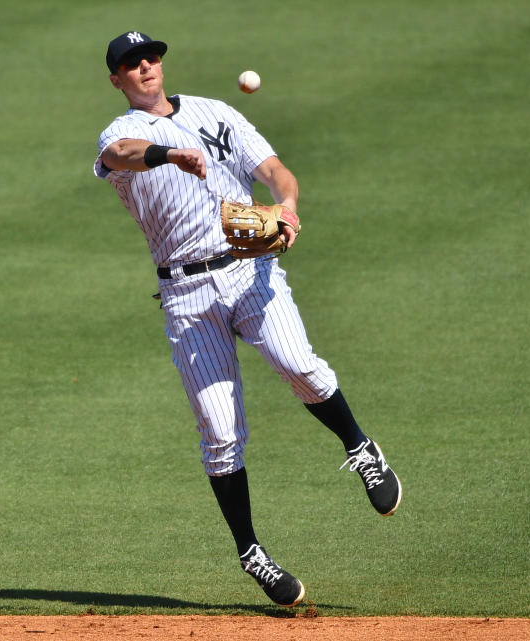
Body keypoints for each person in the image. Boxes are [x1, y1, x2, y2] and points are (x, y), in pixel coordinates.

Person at [93, 31, 402, 608]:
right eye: (131, 64)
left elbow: (279, 173)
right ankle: (251, 552)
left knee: (299, 366)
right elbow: (119, 157)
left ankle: (361, 448)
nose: (144, 68)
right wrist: (169, 154)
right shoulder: (120, 134)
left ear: (161, 63)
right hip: (185, 296)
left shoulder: (216, 111)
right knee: (220, 434)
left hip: (248, 270)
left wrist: (286, 208)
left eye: (150, 58)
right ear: (117, 79)